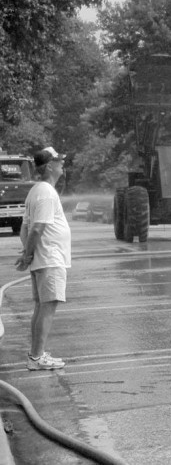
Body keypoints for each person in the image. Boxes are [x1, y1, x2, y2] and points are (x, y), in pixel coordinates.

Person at [16, 147, 71, 370]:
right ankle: (37, 357)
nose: (62, 164)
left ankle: (36, 355)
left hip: (44, 258)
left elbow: (24, 229)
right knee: (48, 306)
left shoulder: (36, 191)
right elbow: (36, 229)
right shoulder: (46, 192)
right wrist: (28, 255)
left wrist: (27, 254)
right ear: (49, 166)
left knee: (41, 306)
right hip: (49, 259)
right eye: (58, 161)